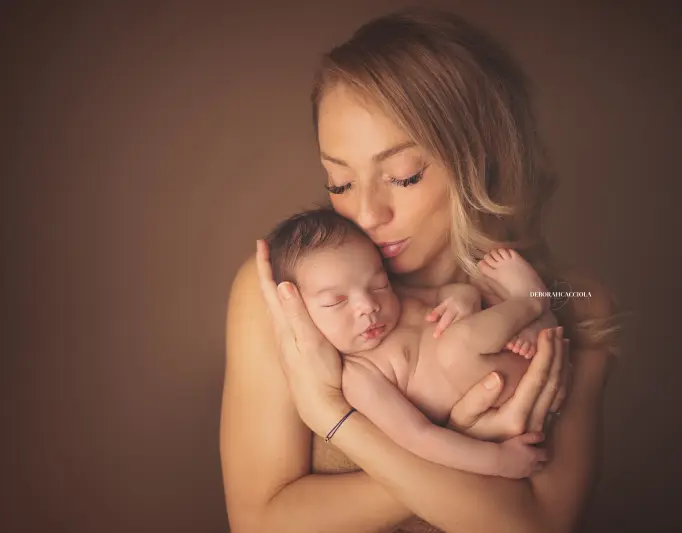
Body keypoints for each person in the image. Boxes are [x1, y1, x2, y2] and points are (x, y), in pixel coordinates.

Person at [221, 7, 621, 533]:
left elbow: (538, 527)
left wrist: (335, 420)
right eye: (339, 183)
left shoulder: (575, 306)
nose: (367, 214)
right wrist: (460, 438)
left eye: (404, 177)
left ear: (479, 156)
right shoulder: (291, 293)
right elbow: (260, 523)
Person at [264, 206, 560, 479]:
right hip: (502, 395)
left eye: (379, 284)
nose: (368, 304)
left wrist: (460, 298)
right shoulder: (358, 374)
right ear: (298, 314)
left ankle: (539, 322)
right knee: (455, 346)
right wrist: (499, 460)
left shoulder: (401, 300)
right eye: (336, 302)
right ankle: (533, 303)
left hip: (524, 357)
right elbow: (418, 437)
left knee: (479, 289)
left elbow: (449, 293)